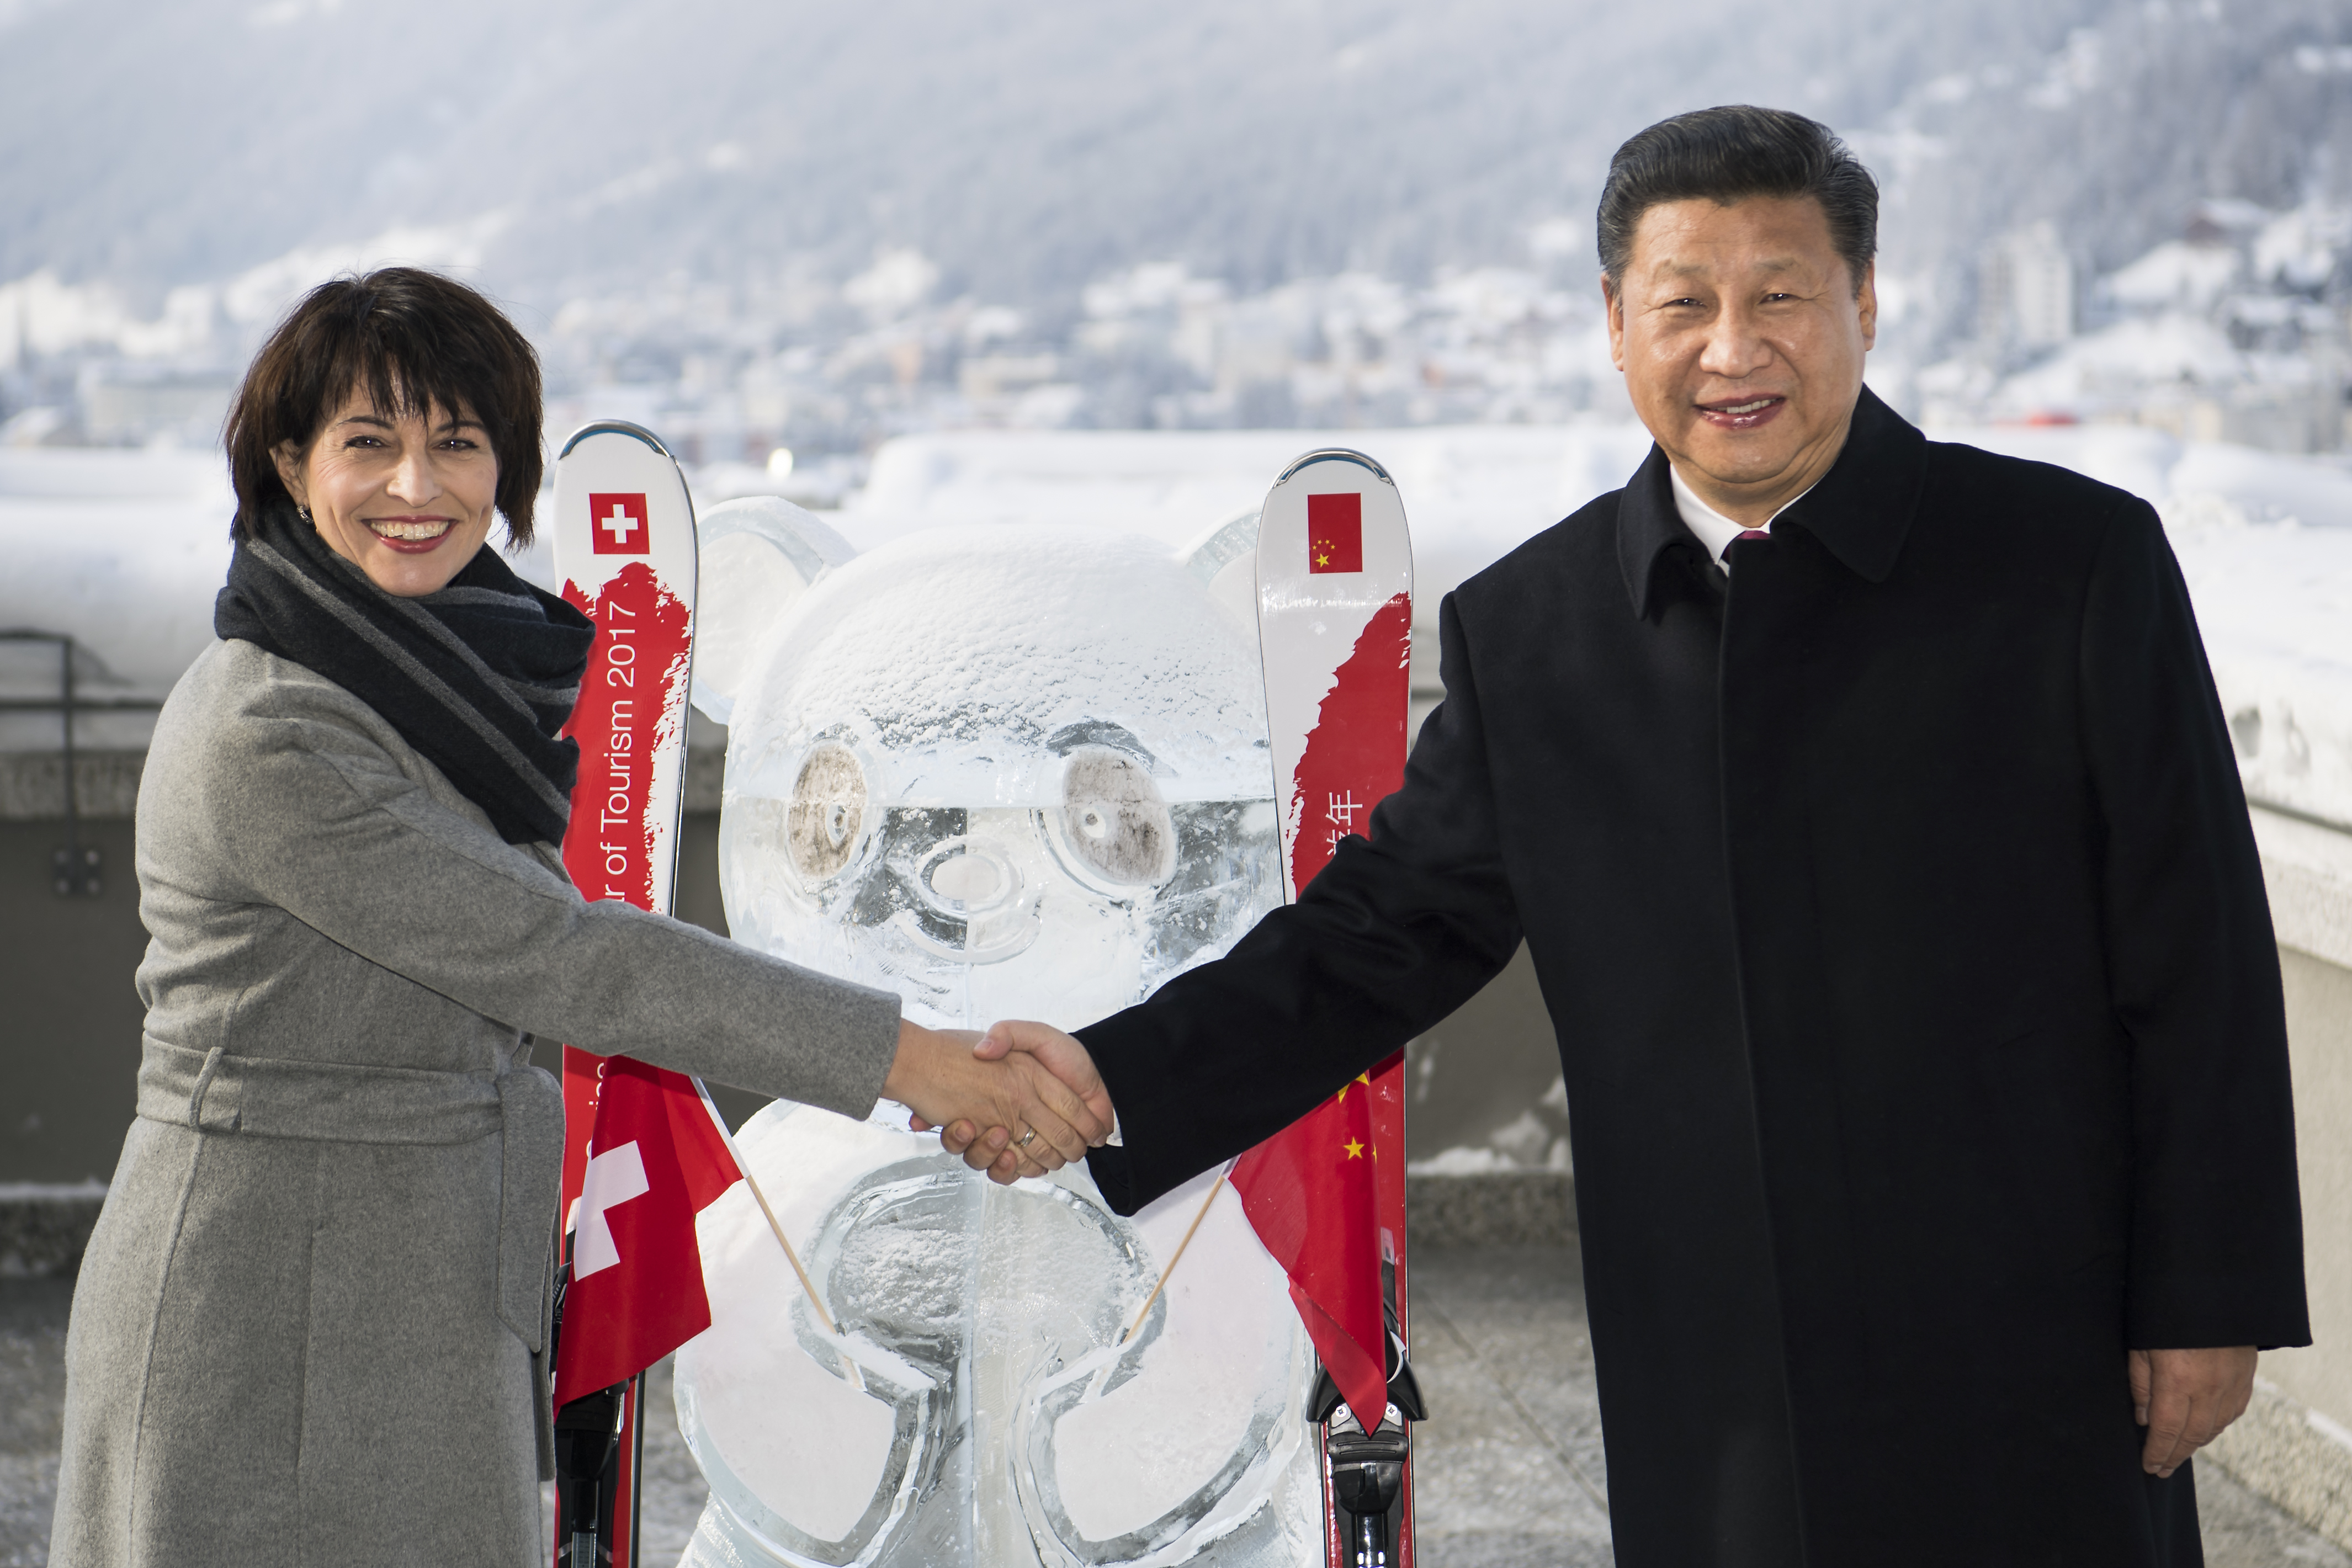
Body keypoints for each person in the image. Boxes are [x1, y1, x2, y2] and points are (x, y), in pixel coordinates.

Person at [951, 108, 2309, 1566]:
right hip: (1717, 1360)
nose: (1732, 348)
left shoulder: (2066, 567)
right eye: (1683, 303)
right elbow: (1376, 933)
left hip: (2029, 1329)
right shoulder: (1536, 636)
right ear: (1614, 324)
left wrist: (2201, 1294)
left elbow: (2196, 957)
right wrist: (1109, 1073)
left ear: (1863, 300)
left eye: (1778, 294)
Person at [48, 268, 1100, 1568]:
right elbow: (558, 953)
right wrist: (926, 1064)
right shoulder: (275, 724)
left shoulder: (437, 671)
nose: (416, 487)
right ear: (287, 461)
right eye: (368, 443)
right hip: (271, 1291)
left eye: (458, 442)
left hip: (408, 1250)